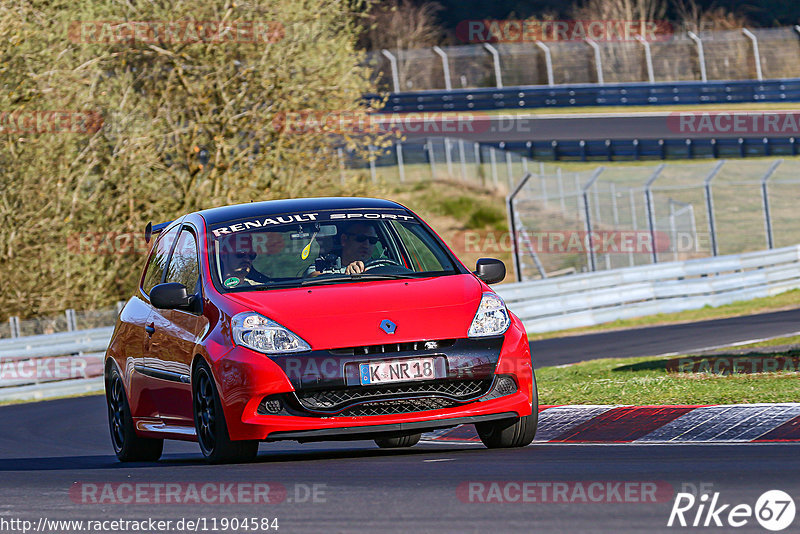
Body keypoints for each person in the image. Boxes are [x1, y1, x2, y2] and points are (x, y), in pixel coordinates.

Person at [308, 222, 379, 276]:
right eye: (361, 238)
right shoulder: (321, 268)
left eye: (372, 240)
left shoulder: (380, 268)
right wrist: (346, 275)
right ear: (344, 239)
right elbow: (313, 277)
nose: (366, 245)